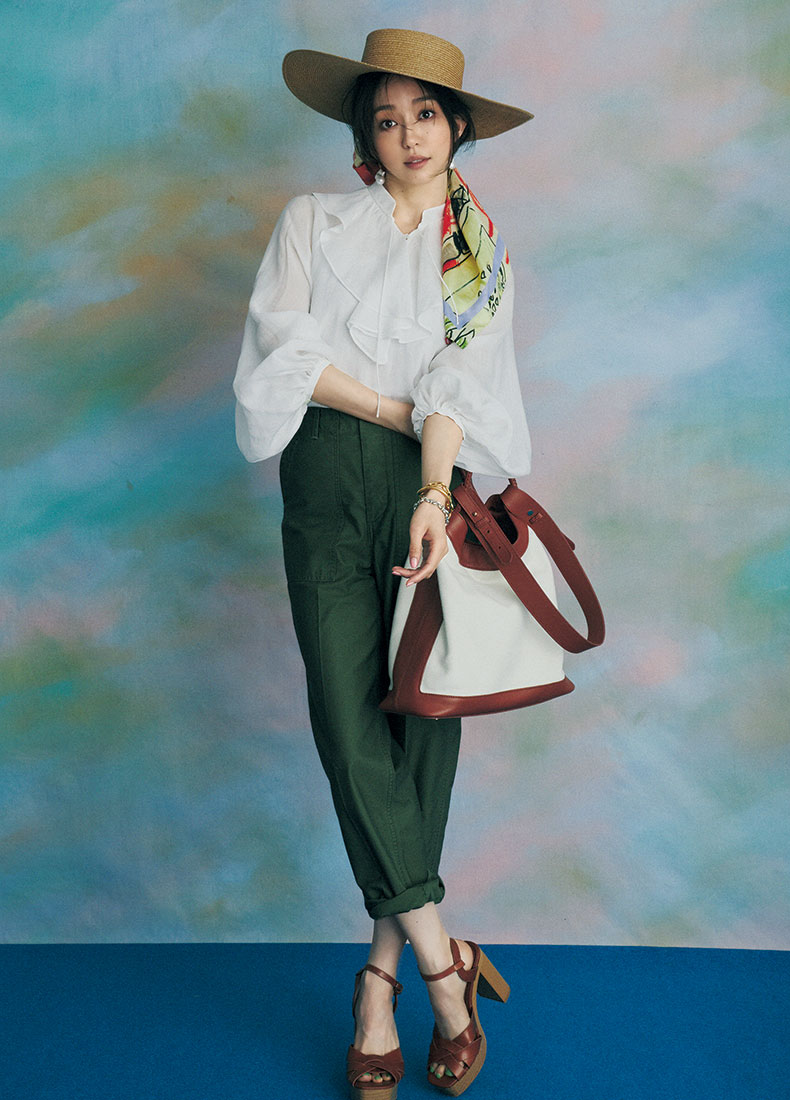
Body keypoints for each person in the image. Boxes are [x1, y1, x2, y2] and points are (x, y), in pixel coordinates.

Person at [233, 28, 533, 1099]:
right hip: (325, 474)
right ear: (365, 134)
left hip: (424, 481)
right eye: (386, 116)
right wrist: (391, 408)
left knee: (421, 717)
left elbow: (462, 386)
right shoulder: (312, 222)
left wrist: (431, 493)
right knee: (345, 713)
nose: (407, 133)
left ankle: (379, 981)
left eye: (425, 112)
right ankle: (447, 965)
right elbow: (287, 353)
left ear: (458, 126)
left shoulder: (479, 255)